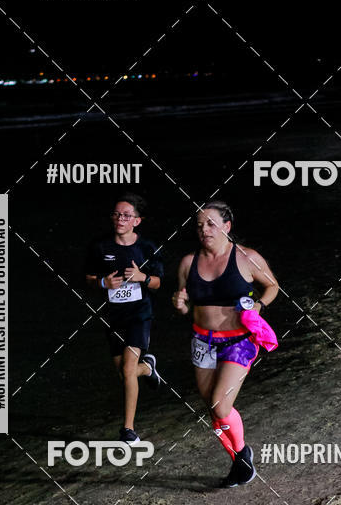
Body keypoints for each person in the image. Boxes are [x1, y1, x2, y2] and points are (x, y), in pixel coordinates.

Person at [172, 202, 279, 487]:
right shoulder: (188, 263)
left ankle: (242, 452)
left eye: (211, 223)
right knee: (212, 408)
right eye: (199, 225)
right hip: (202, 342)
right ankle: (239, 463)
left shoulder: (246, 257)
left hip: (238, 342)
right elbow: (185, 305)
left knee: (220, 406)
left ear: (227, 226)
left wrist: (259, 305)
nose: (204, 230)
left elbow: (272, 286)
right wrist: (180, 305)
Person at [85, 194, 163, 443]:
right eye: (117, 214)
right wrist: (103, 283)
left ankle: (128, 430)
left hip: (139, 315)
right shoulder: (100, 246)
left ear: (137, 221)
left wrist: (142, 277)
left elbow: (158, 283)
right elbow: (88, 278)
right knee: (124, 374)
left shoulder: (147, 248)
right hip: (113, 316)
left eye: (127, 215)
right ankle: (147, 368)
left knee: (128, 369)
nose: (120, 219)